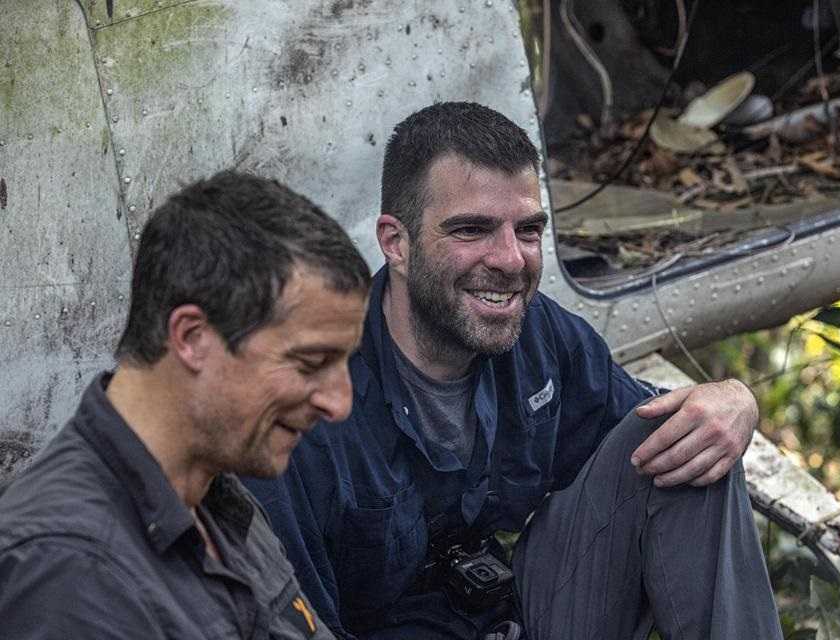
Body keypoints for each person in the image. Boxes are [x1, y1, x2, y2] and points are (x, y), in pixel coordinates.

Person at [245, 102, 782, 639]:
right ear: (396, 244)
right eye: (472, 230)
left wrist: (735, 399)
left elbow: (649, 426)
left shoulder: (541, 335)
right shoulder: (304, 405)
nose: (510, 260)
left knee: (688, 444)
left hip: (525, 613)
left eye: (527, 230)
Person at [0, 171, 371, 639]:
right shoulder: (67, 572)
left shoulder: (217, 496)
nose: (339, 403)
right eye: (311, 362)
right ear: (193, 338)